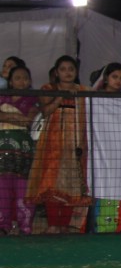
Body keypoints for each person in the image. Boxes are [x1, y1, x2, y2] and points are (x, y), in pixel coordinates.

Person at [27, 55, 90, 233]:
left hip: (76, 143)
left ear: (76, 72)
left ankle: (65, 225)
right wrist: (60, 97)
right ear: (56, 72)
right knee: (51, 183)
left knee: (72, 182)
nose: (67, 72)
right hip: (53, 144)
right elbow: (45, 111)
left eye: (71, 69)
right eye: (63, 69)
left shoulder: (84, 90)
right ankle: (53, 224)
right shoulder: (48, 88)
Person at [0, 64, 37, 234]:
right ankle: (3, 227)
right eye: (18, 78)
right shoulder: (2, 97)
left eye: (25, 78)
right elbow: (21, 120)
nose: (22, 81)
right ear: (10, 82)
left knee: (23, 189)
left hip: (23, 153)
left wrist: (6, 117)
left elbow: (28, 121)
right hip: (1, 151)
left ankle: (25, 227)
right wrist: (16, 117)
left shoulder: (33, 99)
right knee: (2, 191)